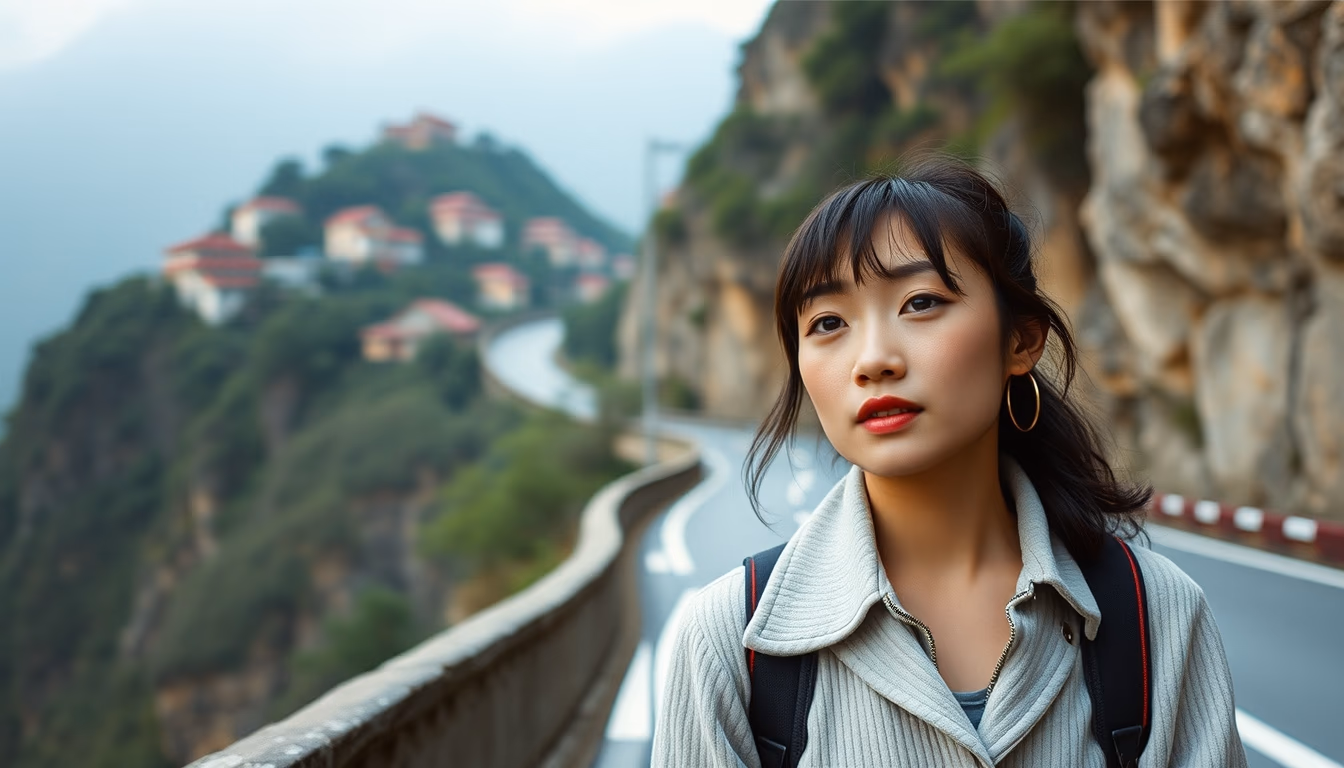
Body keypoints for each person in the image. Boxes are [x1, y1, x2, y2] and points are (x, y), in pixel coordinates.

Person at [650, 157, 1247, 767]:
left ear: (1020, 340)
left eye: (920, 303)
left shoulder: (1157, 618)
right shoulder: (732, 645)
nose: (873, 360)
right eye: (828, 322)